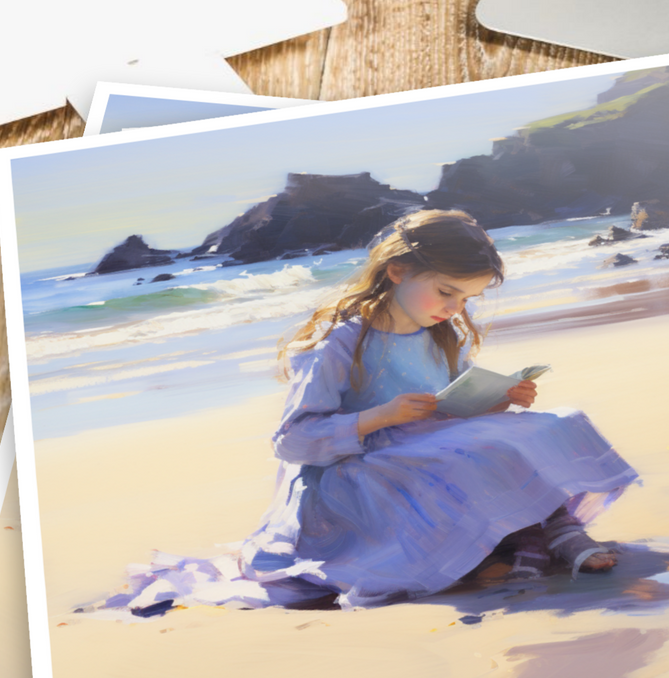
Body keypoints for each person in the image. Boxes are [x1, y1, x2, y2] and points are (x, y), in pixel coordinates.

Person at [238, 209, 639, 609]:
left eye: (467, 298)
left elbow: (454, 405)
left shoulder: (440, 333)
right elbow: (292, 441)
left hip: (431, 444)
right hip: (360, 468)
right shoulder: (338, 343)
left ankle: (547, 529)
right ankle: (541, 535)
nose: (455, 308)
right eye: (447, 292)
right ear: (397, 272)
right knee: (477, 451)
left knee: (557, 422)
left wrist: (500, 398)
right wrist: (380, 416)